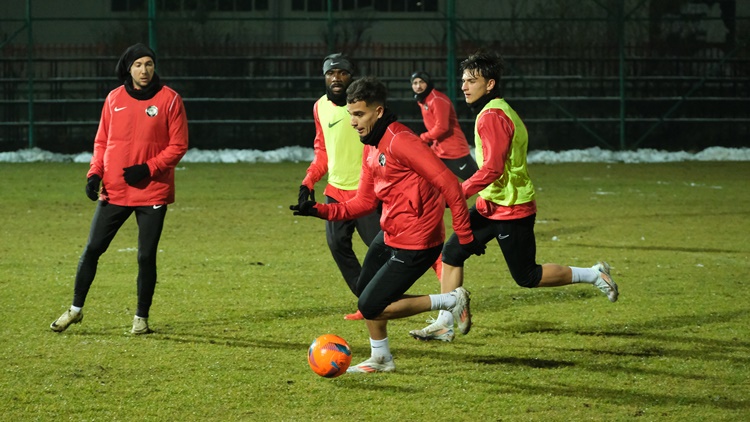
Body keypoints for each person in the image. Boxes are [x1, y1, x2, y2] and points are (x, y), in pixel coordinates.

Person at [409, 50, 619, 342]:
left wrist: (456, 194)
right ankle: (445, 322)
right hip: (490, 205)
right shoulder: (497, 110)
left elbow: (493, 168)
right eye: (463, 80)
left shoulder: (492, 116)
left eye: (471, 81)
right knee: (452, 254)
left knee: (527, 276)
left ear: (490, 84)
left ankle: (595, 274)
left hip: (512, 208)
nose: (464, 87)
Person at [291, 77, 485, 373]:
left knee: (371, 305)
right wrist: (316, 210)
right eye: (350, 114)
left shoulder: (401, 141)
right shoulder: (371, 145)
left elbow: (450, 184)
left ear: (378, 112)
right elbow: (364, 204)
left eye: (358, 115)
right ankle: (381, 358)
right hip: (392, 232)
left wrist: (465, 235)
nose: (353, 122)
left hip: (417, 240)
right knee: (364, 292)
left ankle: (450, 300)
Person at [50, 43, 189, 335]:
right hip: (115, 189)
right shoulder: (114, 99)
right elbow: (102, 142)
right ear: (128, 67)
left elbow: (178, 146)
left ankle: (141, 319)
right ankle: (75, 310)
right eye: (138, 64)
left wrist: (148, 168)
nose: (144, 70)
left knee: (145, 256)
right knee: (92, 249)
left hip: (152, 190)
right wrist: (94, 174)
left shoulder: (170, 100)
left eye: (149, 63)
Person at [294, 53, 381, 321]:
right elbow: (322, 150)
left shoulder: (363, 106)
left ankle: (443, 292)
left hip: (366, 192)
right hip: (336, 191)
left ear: (351, 76)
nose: (336, 78)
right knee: (337, 245)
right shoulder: (319, 107)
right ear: (324, 77)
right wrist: (308, 181)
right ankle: (367, 301)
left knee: (385, 248)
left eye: (342, 73)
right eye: (331, 74)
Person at [410, 70, 478, 181]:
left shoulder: (436, 99)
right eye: (415, 83)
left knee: (477, 185)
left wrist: (423, 137)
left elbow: (442, 127)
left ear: (428, 83)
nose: (418, 86)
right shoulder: (423, 101)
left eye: (421, 82)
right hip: (440, 151)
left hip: (455, 151)